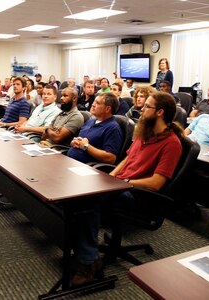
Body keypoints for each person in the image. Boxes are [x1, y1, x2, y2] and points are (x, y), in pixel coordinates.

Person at [71, 91, 184, 286]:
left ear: (160, 112)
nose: (141, 109)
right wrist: (110, 177)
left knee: (90, 200)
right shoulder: (145, 132)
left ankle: (88, 263)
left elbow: (156, 183)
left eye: (147, 106)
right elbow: (127, 160)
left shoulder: (172, 143)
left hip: (139, 195)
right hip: (122, 185)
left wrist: (123, 182)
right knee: (82, 192)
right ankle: (84, 250)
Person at [67, 92, 123, 164]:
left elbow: (110, 158)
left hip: (87, 168)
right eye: (94, 102)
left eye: (97, 103)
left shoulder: (113, 128)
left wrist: (86, 146)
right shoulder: (90, 121)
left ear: (107, 109)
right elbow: (81, 142)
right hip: (70, 160)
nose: (93, 104)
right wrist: (74, 142)